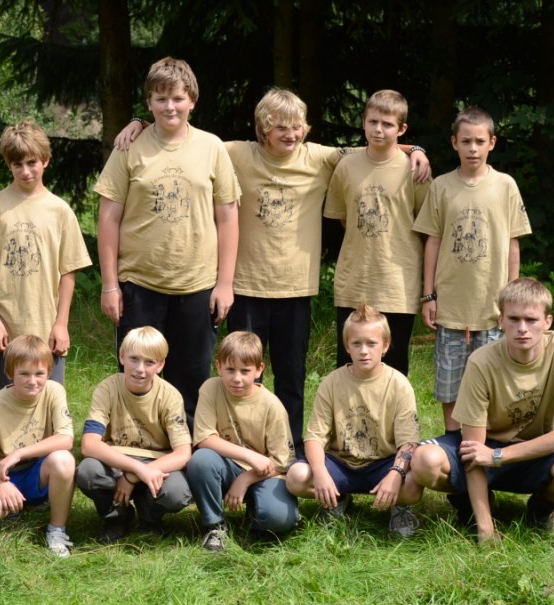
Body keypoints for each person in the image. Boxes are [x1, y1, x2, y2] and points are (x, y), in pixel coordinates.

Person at [115, 87, 430, 454]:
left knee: (292, 377)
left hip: (296, 289)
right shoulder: (236, 153)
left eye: (297, 127)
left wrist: (416, 149)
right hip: (247, 287)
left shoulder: (320, 157)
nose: (291, 134)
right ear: (263, 128)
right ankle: (246, 446)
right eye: (281, 127)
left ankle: (290, 450)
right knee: (245, 373)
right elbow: (186, 138)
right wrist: (141, 123)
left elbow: (375, 147)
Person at [95, 56, 240, 426]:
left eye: (177, 98)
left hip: (197, 284)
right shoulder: (129, 147)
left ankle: (186, 449)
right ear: (149, 103)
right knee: (138, 376)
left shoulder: (211, 147)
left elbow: (227, 216)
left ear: (192, 100)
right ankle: (134, 445)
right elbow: (108, 218)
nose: (170, 106)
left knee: (192, 377)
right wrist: (110, 285)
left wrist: (225, 283)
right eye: (160, 99)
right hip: (139, 284)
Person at [410, 278, 554, 544]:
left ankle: (542, 507)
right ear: (500, 321)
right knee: (424, 461)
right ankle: (470, 505)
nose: (522, 328)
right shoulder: (481, 362)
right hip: (486, 445)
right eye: (514, 319)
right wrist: (486, 529)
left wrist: (498, 456)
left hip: (534, 451)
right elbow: (474, 449)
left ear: (547, 322)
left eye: (531, 320)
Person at [412, 107, 532, 431]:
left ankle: (485, 444)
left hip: (492, 308)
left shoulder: (505, 185)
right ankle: (453, 443)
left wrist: (512, 300)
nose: (473, 149)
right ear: (454, 143)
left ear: (492, 142)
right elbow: (432, 241)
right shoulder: (441, 186)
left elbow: (513, 244)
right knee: (450, 385)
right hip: (451, 308)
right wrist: (428, 295)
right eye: (466, 141)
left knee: (492, 384)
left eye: (480, 141)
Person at [0, 120, 91, 389]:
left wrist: (61, 324)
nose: (26, 171)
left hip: (47, 325)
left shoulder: (60, 210)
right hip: (7, 326)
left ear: (45, 160)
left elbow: (68, 272)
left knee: (50, 397)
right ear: (8, 164)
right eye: (17, 164)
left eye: (32, 162)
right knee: (10, 398)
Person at [285, 303, 422, 538]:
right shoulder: (331, 382)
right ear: (347, 346)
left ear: (385, 345)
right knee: (296, 476)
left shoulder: (399, 384)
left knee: (413, 484)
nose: (364, 351)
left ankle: (400, 507)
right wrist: (320, 472)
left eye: (371, 343)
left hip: (383, 464)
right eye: (356, 343)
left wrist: (395, 474)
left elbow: (409, 442)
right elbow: (314, 438)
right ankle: (337, 499)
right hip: (341, 464)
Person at [324, 90, 429, 377]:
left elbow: (428, 227)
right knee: (349, 369)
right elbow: (343, 219)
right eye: (372, 122)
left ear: (402, 129)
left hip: (397, 285)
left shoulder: (415, 169)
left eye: (387, 124)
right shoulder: (346, 166)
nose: (378, 129)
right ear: (363, 122)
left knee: (393, 371)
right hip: (354, 283)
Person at [77, 326, 192, 543]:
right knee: (88, 471)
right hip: (117, 458)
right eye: (133, 359)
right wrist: (136, 469)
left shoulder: (170, 396)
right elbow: (89, 444)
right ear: (122, 357)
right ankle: (116, 517)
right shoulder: (107, 388)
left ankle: (150, 517)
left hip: (156, 461)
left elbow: (183, 453)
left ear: (160, 365)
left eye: (149, 362)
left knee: (177, 492)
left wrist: (133, 476)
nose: (140, 369)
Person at [0, 335, 77, 558]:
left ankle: (56, 529)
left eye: (39, 374)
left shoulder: (54, 391)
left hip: (38, 473)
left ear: (49, 372)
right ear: (10, 373)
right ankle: (9, 509)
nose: (32, 381)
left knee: (64, 459)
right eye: (24, 374)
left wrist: (19, 453)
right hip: (4, 476)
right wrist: (0, 484)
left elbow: (66, 439)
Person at [187, 331, 298, 551]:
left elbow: (281, 462)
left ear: (259, 369)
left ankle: (256, 515)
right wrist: (248, 455)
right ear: (218, 367)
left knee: (279, 519)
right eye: (230, 370)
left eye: (245, 371)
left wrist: (246, 479)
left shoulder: (272, 406)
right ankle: (214, 525)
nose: (236, 378)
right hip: (227, 466)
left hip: (264, 473)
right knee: (201, 460)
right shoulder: (210, 388)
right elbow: (204, 438)